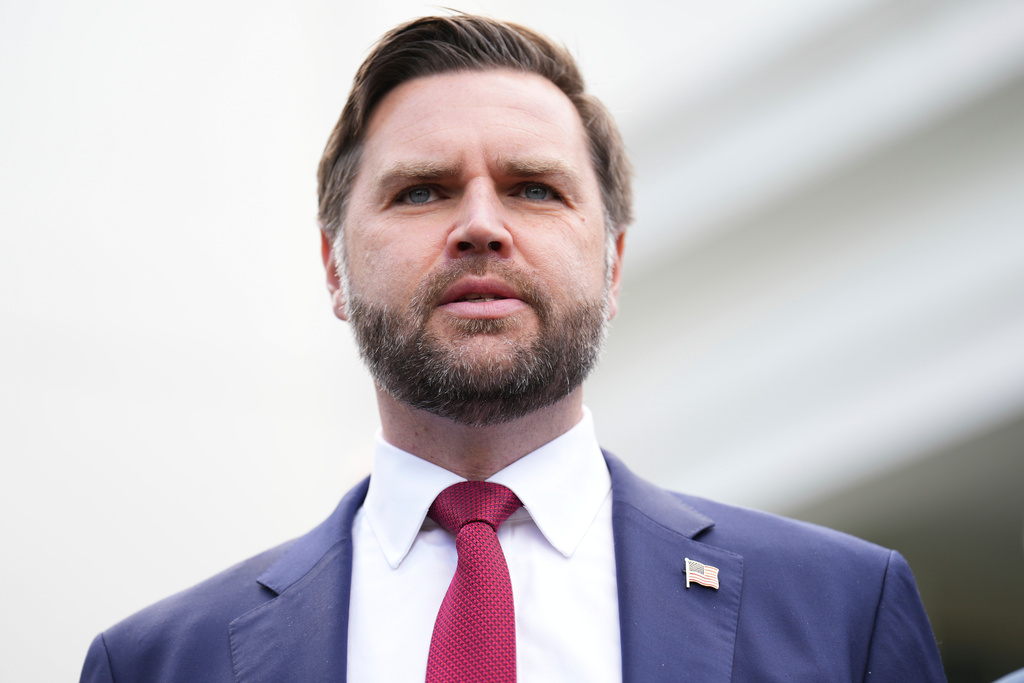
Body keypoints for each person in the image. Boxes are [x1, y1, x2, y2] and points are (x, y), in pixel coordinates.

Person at [80, 14, 946, 682]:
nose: (481, 226)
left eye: (534, 188)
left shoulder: (843, 612)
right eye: (422, 191)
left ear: (611, 263)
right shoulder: (157, 662)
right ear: (334, 270)